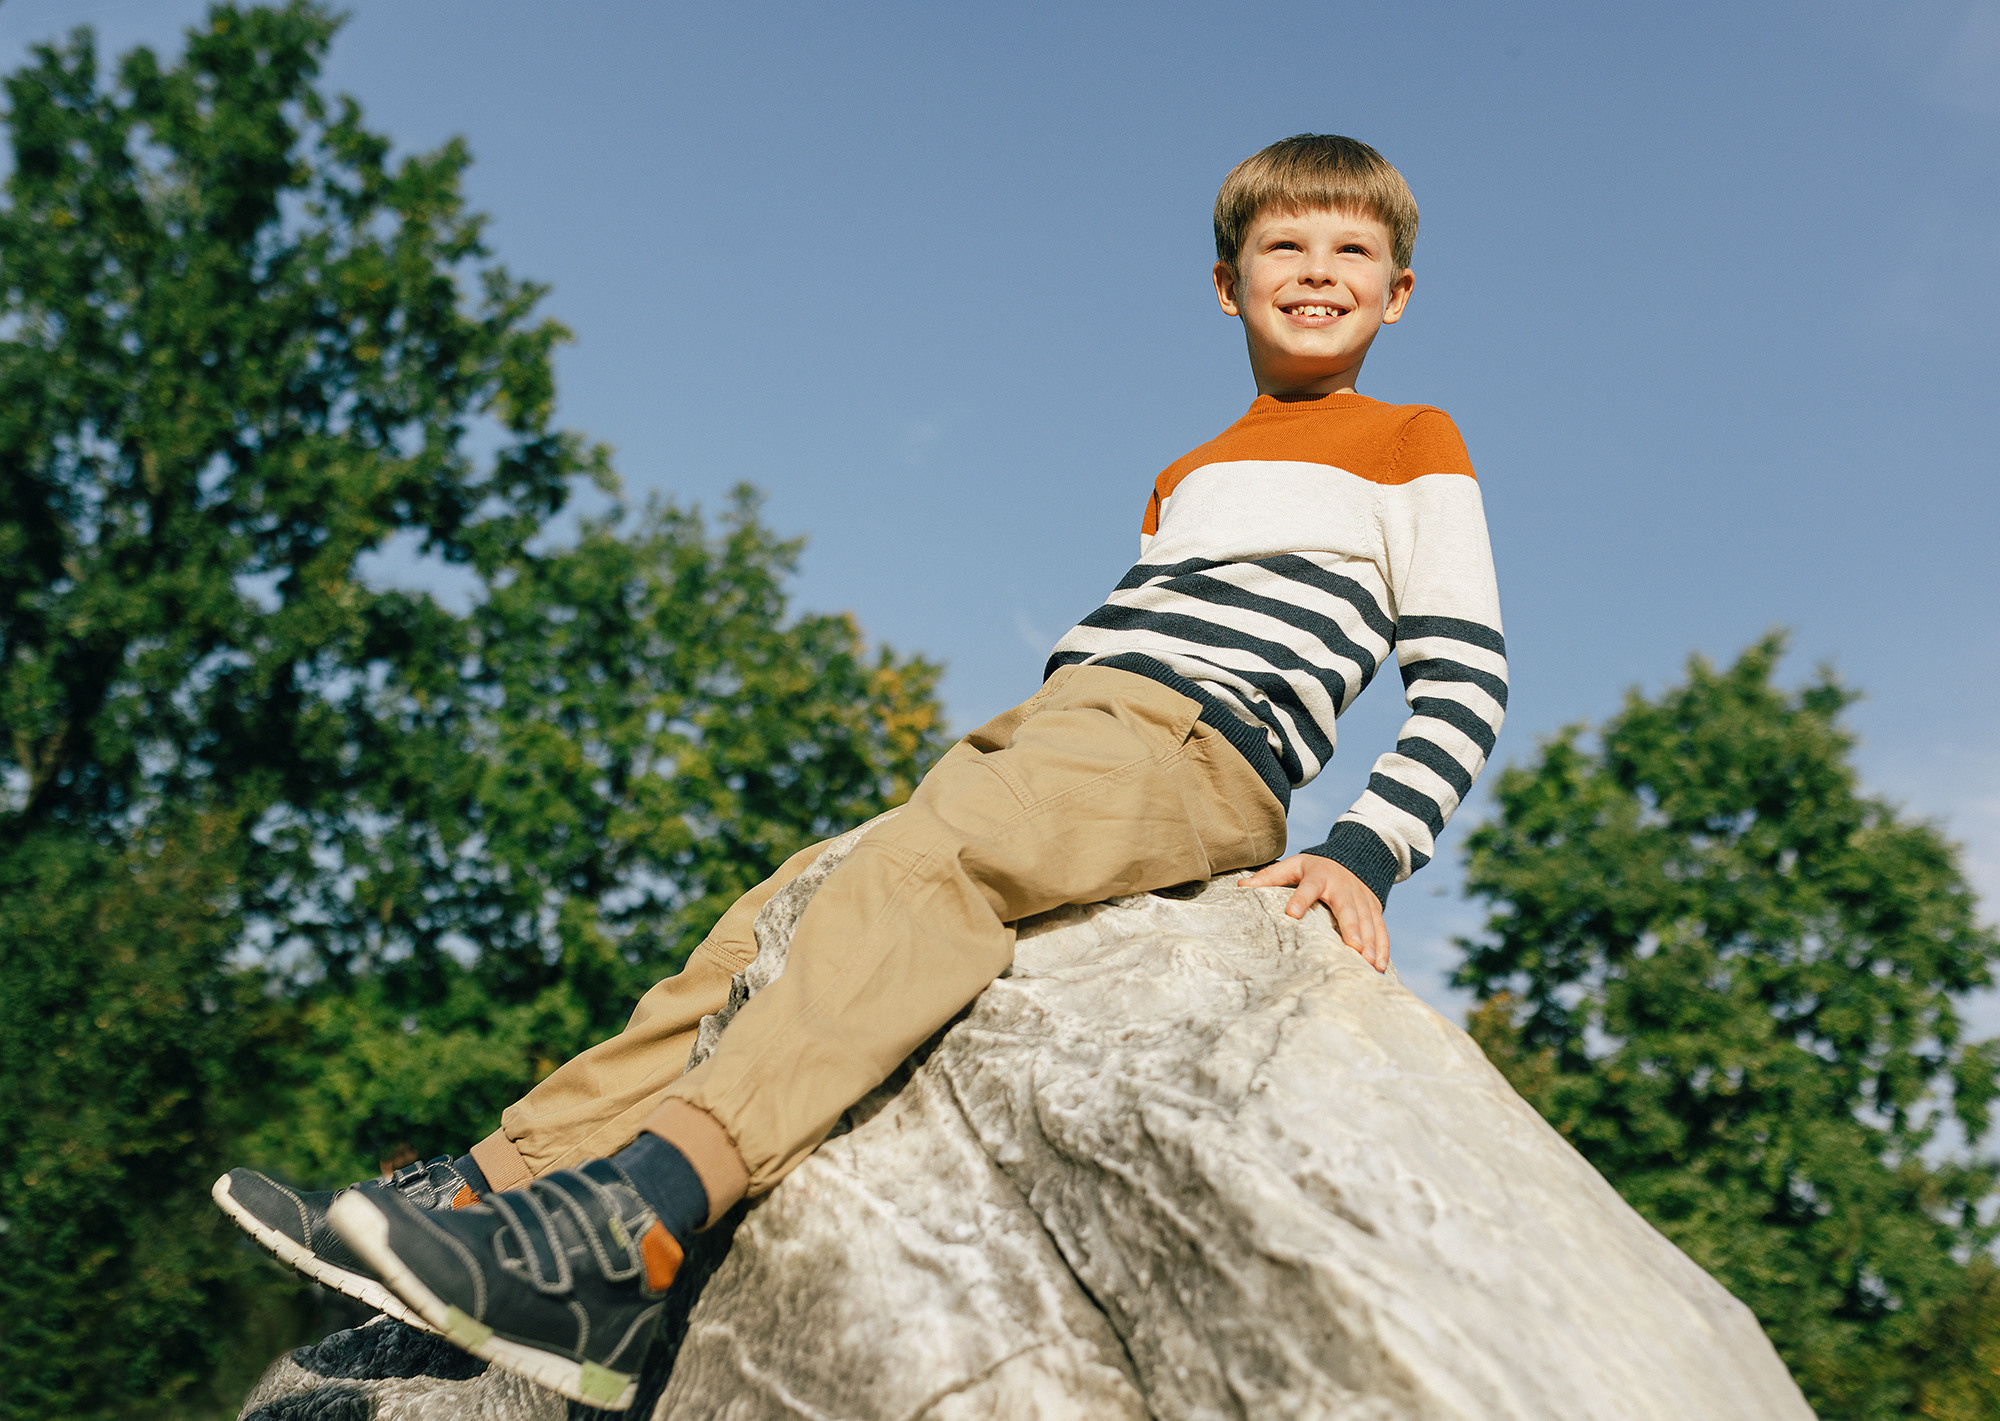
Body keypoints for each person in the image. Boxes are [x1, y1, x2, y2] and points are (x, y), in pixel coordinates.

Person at [213, 133, 1508, 1411]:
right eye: (1286, 242)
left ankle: (638, 1226)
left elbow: (1464, 673)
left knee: (929, 871)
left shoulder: (1411, 438)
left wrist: (1363, 848)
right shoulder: (1194, 468)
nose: (1318, 268)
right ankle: (490, 1190)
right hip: (1063, 721)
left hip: (1197, 742)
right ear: (1227, 281)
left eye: (1354, 249)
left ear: (1398, 292)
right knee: (775, 913)